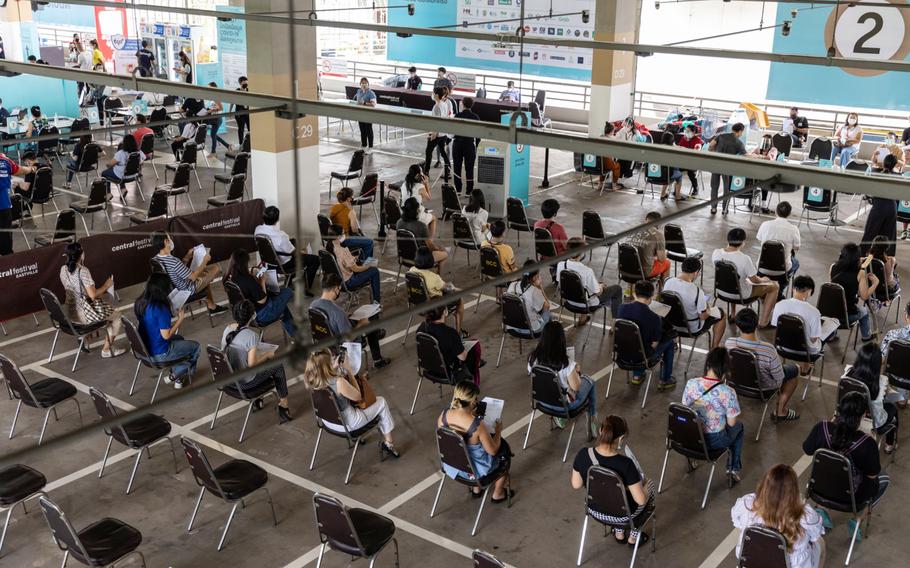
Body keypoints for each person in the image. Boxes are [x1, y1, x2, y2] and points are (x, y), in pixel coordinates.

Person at [802, 392, 890, 528]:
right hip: (851, 499)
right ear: (862, 416)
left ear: (839, 409)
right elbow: (872, 476)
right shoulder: (867, 443)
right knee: (883, 478)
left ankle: (821, 509)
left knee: (829, 472)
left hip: (818, 489)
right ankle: (858, 519)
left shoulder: (822, 428)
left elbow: (807, 449)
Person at [571, 415, 653, 545]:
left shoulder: (583, 454)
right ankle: (633, 537)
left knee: (613, 495)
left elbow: (576, 484)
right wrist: (646, 485)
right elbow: (641, 500)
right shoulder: (626, 464)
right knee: (649, 486)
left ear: (600, 431)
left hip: (595, 509)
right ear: (620, 439)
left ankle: (619, 533)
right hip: (623, 516)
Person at [304, 350, 399, 457]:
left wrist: (332, 368)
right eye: (331, 361)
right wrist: (349, 370)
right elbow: (358, 396)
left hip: (328, 422)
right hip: (349, 424)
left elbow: (326, 378)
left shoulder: (312, 381)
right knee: (381, 401)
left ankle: (374, 439)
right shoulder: (339, 382)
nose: (333, 361)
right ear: (327, 366)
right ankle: (389, 444)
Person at [731, 464, 825, 568]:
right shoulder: (805, 515)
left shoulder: (747, 504)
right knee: (820, 543)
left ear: (765, 486)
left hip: (752, 563)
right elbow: (815, 535)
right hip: (792, 565)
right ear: (793, 491)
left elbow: (736, 521)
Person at [437, 380, 512, 501]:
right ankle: (498, 494)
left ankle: (476, 490)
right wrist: (498, 430)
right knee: (505, 454)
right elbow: (492, 451)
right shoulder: (477, 425)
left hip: (452, 465)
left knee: (465, 451)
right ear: (473, 402)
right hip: (475, 471)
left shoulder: (443, 416)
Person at [222, 300, 292, 422]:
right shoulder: (251, 336)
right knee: (277, 365)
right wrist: (267, 355)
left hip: (227, 379)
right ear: (252, 315)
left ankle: (259, 401)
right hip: (244, 384)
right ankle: (284, 404)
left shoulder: (227, 329)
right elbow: (252, 364)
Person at [683, 347, 744, 485]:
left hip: (690, 437)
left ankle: (691, 458)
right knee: (739, 428)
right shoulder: (728, 392)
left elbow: (686, 411)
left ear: (708, 364)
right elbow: (732, 423)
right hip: (714, 440)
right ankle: (732, 470)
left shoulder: (691, 383)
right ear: (726, 369)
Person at [726, 308, 801, 422]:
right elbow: (779, 378)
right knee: (795, 370)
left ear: (737, 325)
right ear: (756, 324)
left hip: (736, 383)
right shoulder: (768, 349)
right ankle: (781, 411)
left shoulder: (729, 343)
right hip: (764, 388)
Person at [528, 322, 598, 434]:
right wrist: (576, 371)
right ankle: (593, 420)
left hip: (541, 401)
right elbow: (576, 387)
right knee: (590, 381)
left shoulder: (533, 358)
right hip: (563, 407)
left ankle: (560, 418)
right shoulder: (566, 363)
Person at [134, 273, 201, 388]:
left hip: (144, 350)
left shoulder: (140, 302)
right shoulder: (160, 308)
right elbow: (166, 335)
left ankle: (179, 378)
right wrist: (180, 319)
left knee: (180, 339)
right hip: (159, 354)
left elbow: (153, 322)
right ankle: (176, 374)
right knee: (196, 347)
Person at [310, 273, 391, 368]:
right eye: (339, 289)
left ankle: (376, 334)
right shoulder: (337, 313)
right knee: (370, 321)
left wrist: (345, 315)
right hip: (341, 345)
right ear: (336, 289)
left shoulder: (313, 305)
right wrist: (361, 324)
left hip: (324, 343)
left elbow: (328, 318)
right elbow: (349, 338)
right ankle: (377, 359)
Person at [59, 242, 124, 358]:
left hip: (69, 312)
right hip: (83, 314)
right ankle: (106, 350)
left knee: (106, 311)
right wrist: (106, 285)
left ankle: (85, 337)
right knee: (117, 317)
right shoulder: (82, 271)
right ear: (81, 255)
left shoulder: (63, 269)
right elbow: (92, 295)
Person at [712, 227, 779, 327]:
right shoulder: (744, 259)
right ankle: (763, 322)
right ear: (743, 242)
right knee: (775, 286)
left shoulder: (716, 253)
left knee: (732, 278)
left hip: (721, 291)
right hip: (742, 295)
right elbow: (755, 280)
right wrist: (764, 279)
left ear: (728, 239)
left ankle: (733, 314)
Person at [617, 280, 677, 390]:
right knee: (669, 342)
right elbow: (654, 344)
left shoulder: (621, 308)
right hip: (642, 358)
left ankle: (637, 375)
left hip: (621, 354)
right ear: (651, 297)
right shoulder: (654, 317)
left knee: (636, 342)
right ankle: (665, 379)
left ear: (634, 293)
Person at [151, 231, 227, 316]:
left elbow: (177, 271)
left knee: (204, 274)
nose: (171, 240)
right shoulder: (173, 261)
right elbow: (193, 277)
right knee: (216, 268)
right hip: (187, 288)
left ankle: (212, 306)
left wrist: (187, 257)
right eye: (169, 238)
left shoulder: (156, 259)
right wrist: (204, 261)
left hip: (176, 287)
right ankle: (212, 307)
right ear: (166, 241)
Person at [226, 249, 297, 338]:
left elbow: (246, 291)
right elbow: (262, 301)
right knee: (287, 291)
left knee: (282, 307)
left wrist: (254, 281)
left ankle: (295, 334)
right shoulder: (248, 280)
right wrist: (262, 281)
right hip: (260, 316)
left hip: (242, 315)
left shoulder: (228, 279)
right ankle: (296, 335)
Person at [842, 344, 899, 453]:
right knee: (892, 407)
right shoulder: (881, 381)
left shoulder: (847, 374)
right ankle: (889, 444)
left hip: (848, 413)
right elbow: (886, 397)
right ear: (877, 363)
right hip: (872, 421)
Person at [253, 205, 320, 295]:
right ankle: (304, 287)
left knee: (293, 241)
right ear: (277, 219)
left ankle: (290, 280)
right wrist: (302, 251)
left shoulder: (258, 230)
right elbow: (292, 253)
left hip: (269, 262)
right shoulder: (281, 235)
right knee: (315, 260)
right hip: (284, 264)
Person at [557, 237, 623, 326]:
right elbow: (598, 293)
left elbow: (561, 284)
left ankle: (583, 317)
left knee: (582, 287)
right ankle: (615, 323)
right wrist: (601, 286)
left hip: (568, 301)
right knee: (617, 289)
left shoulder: (561, 265)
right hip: (586, 305)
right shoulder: (587, 271)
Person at [663, 257, 726, 348]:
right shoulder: (696, 291)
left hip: (671, 325)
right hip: (691, 328)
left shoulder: (668, 281)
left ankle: (674, 342)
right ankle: (714, 348)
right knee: (722, 314)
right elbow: (703, 316)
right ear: (696, 272)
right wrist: (708, 309)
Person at [773, 275, 839, 355]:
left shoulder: (779, 305)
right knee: (832, 323)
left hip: (783, 347)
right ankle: (807, 365)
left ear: (794, 288)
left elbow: (776, 327)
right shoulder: (814, 312)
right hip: (806, 351)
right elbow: (813, 339)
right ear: (809, 291)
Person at [418, 305, 483, 385]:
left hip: (429, 368)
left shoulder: (421, 328)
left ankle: (477, 364)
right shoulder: (450, 333)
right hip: (449, 372)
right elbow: (462, 357)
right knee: (475, 347)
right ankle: (474, 385)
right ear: (445, 312)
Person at [410, 246, 465, 333]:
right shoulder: (434, 278)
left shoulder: (411, 271)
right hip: (434, 308)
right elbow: (448, 288)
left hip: (416, 305)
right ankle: (458, 333)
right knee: (459, 299)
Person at [830, 243, 877, 342]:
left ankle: (831, 334)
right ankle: (866, 336)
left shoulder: (833, 267)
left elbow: (834, 287)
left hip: (830, 313)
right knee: (864, 311)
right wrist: (875, 283)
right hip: (847, 317)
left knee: (837, 303)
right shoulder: (860, 274)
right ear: (857, 258)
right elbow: (864, 296)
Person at [756, 201, 801, 296]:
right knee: (796, 262)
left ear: (776, 212)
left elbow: (760, 240)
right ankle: (782, 285)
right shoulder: (794, 229)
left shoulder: (765, 224)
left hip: (762, 268)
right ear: (789, 214)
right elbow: (797, 247)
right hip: (781, 270)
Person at [327, 224, 381, 302]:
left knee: (363, 261)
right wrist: (369, 265)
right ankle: (377, 302)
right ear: (338, 237)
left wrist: (352, 259)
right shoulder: (343, 250)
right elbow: (357, 270)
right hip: (348, 283)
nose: (344, 235)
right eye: (343, 233)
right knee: (374, 270)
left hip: (336, 282)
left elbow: (341, 262)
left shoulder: (328, 248)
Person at [860, 154, 898, 257]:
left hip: (879, 207)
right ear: (895, 164)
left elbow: (869, 192)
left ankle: (862, 257)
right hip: (892, 207)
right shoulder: (899, 176)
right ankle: (888, 259)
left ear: (883, 162)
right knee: (890, 237)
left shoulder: (875, 173)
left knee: (869, 234)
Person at [397, 197, 448, 267]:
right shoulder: (421, 226)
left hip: (403, 256)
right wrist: (438, 249)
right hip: (420, 258)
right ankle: (437, 276)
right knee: (445, 253)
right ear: (416, 211)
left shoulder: (399, 222)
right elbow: (430, 247)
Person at [708, 122, 747, 215]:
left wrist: (715, 152)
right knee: (727, 189)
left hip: (716, 165)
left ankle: (713, 208)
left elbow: (710, 146)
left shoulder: (720, 136)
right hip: (728, 168)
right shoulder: (739, 142)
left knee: (714, 187)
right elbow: (746, 155)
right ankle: (724, 209)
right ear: (740, 131)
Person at [328, 187, 376, 258]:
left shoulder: (334, 207)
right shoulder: (350, 211)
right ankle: (364, 263)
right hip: (344, 239)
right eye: (352, 196)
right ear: (349, 199)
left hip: (333, 239)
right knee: (370, 242)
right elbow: (355, 229)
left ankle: (364, 261)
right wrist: (353, 215)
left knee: (364, 239)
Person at [0, 152, 33, 255]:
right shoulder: (5, 161)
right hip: (4, 208)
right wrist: (31, 169)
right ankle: (9, 266)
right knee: (6, 243)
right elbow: (21, 170)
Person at [506, 261, 551, 333]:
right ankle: (546, 341)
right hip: (529, 330)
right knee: (548, 313)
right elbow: (547, 306)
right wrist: (540, 287)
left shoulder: (512, 285)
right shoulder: (535, 291)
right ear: (535, 276)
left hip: (512, 326)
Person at [397, 164, 438, 237]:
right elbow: (429, 198)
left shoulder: (404, 184)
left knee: (424, 211)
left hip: (404, 213)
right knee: (434, 219)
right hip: (415, 214)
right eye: (421, 172)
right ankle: (429, 241)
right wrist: (426, 184)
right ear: (418, 175)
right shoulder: (420, 187)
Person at [881, 303, 910, 406]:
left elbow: (882, 360)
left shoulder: (892, 335)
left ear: (907, 316)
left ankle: (901, 400)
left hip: (897, 377)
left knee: (901, 366)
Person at [452, 97, 480, 194]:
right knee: (469, 168)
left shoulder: (457, 116)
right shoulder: (475, 117)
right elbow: (478, 135)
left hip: (457, 144)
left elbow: (452, 131)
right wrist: (477, 146)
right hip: (469, 144)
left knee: (457, 167)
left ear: (463, 104)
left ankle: (458, 189)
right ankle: (469, 190)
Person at [101, 134, 143, 199]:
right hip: (134, 175)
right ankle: (123, 189)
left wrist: (108, 164)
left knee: (104, 173)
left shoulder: (121, 153)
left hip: (122, 177)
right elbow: (141, 162)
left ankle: (108, 193)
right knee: (121, 170)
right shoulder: (138, 152)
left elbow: (110, 164)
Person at [423, 87, 452, 180]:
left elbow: (437, 121)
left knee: (428, 152)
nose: (432, 94)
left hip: (437, 134)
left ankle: (426, 172)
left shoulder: (436, 106)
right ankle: (448, 170)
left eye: (433, 93)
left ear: (436, 95)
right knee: (443, 153)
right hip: (443, 133)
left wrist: (433, 134)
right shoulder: (444, 104)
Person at [633, 211, 670, 282]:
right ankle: (663, 290)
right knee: (667, 263)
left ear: (646, 219)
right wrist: (665, 252)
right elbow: (661, 259)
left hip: (625, 268)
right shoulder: (658, 235)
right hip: (643, 271)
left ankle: (631, 288)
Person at [746, 134, 779, 213]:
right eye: (763, 140)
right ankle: (751, 202)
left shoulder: (773, 149)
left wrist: (759, 156)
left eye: (767, 141)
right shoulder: (758, 148)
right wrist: (759, 155)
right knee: (750, 178)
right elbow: (751, 155)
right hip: (757, 171)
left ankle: (764, 204)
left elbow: (769, 158)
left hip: (768, 173)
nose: (765, 142)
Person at [868, 235, 901, 309]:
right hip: (885, 293)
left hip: (871, 290)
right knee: (895, 277)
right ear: (886, 248)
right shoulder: (891, 260)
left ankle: (879, 302)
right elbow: (890, 278)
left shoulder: (867, 260)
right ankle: (887, 301)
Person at [533, 198, 569, 262]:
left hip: (543, 256)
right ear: (555, 214)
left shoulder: (536, 225)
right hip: (557, 258)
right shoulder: (559, 228)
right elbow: (566, 247)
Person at [655, 131, 686, 201]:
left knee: (666, 171)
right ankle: (678, 196)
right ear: (672, 140)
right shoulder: (673, 149)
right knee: (678, 174)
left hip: (654, 174)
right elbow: (682, 149)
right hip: (666, 176)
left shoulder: (657, 148)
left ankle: (663, 193)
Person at [676, 124, 703, 195]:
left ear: (693, 132)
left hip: (694, 161)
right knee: (675, 169)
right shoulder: (683, 138)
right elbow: (679, 147)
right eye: (685, 131)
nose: (686, 132)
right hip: (683, 160)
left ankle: (695, 188)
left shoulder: (698, 141)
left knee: (690, 171)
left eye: (688, 131)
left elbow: (696, 152)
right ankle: (676, 189)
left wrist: (684, 149)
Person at [204, 82, 231, 154]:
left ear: (213, 88)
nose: (207, 89)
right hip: (213, 118)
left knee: (213, 135)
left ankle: (213, 152)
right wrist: (209, 109)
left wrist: (211, 110)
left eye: (209, 87)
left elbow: (221, 108)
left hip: (217, 118)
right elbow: (214, 106)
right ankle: (227, 146)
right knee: (213, 135)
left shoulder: (216, 97)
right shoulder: (212, 96)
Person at [597, 122, 625, 192]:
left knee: (603, 167)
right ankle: (614, 186)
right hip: (606, 162)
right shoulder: (613, 139)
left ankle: (600, 184)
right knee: (617, 166)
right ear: (612, 131)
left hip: (597, 163)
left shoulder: (600, 137)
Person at [354, 77, 376, 154]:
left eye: (365, 83)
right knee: (362, 130)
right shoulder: (358, 91)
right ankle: (363, 145)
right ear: (360, 84)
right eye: (362, 83)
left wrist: (364, 103)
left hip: (368, 114)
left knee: (368, 130)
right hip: (360, 113)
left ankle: (370, 147)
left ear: (368, 84)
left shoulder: (371, 93)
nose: (364, 84)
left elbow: (373, 104)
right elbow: (357, 101)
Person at [233, 76, 250, 144]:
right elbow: (232, 101)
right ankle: (241, 143)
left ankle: (249, 142)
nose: (246, 84)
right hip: (239, 114)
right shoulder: (237, 91)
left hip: (248, 112)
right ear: (240, 83)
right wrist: (230, 111)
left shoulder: (249, 90)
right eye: (244, 83)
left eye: (247, 82)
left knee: (250, 129)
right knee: (241, 129)